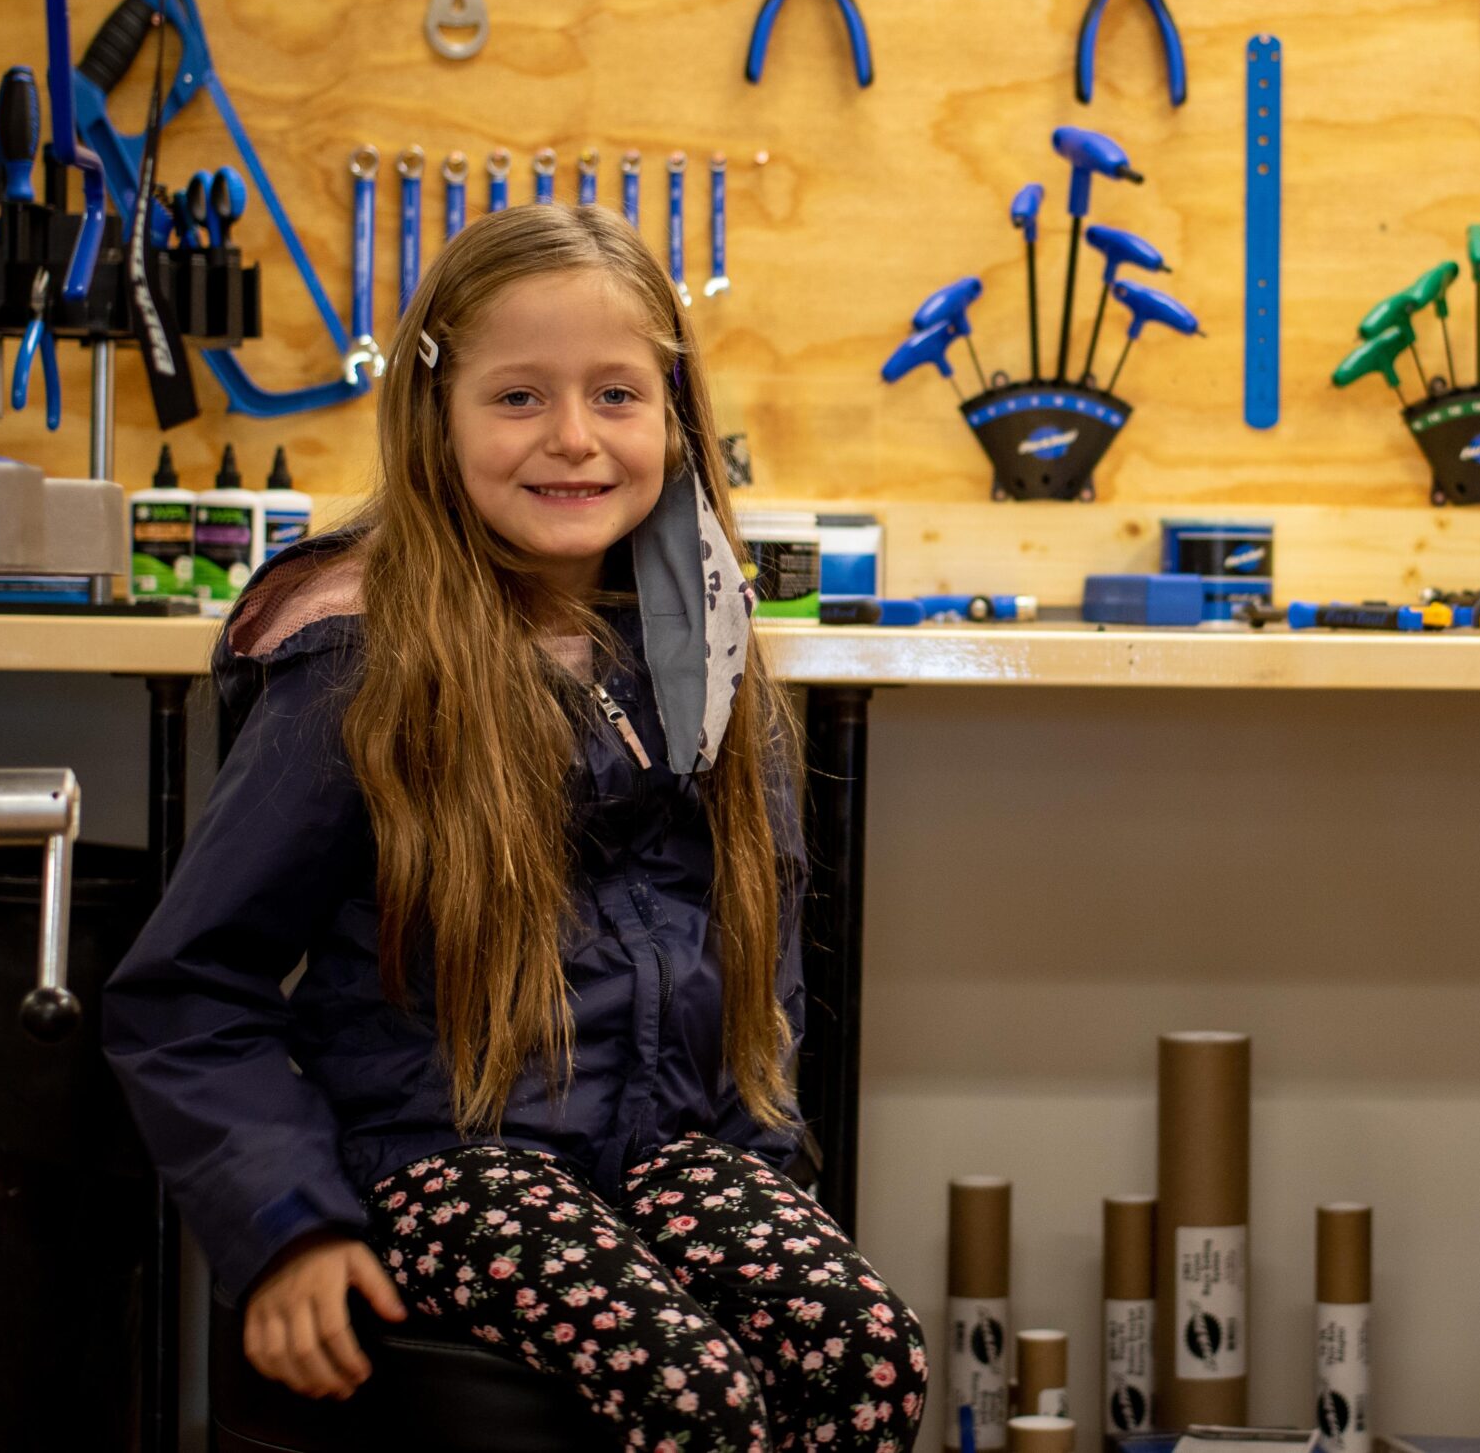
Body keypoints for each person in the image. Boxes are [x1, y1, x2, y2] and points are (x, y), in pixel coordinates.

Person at [104, 203, 924, 1452]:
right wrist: (286, 1225)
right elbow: (187, 992)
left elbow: (764, 960)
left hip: (662, 1143)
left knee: (867, 1354)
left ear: (676, 415)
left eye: (615, 394)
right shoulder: (361, 658)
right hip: (437, 1155)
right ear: (437, 411)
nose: (575, 440)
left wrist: (756, 1179)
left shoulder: (702, 647)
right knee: (687, 1392)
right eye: (519, 398)